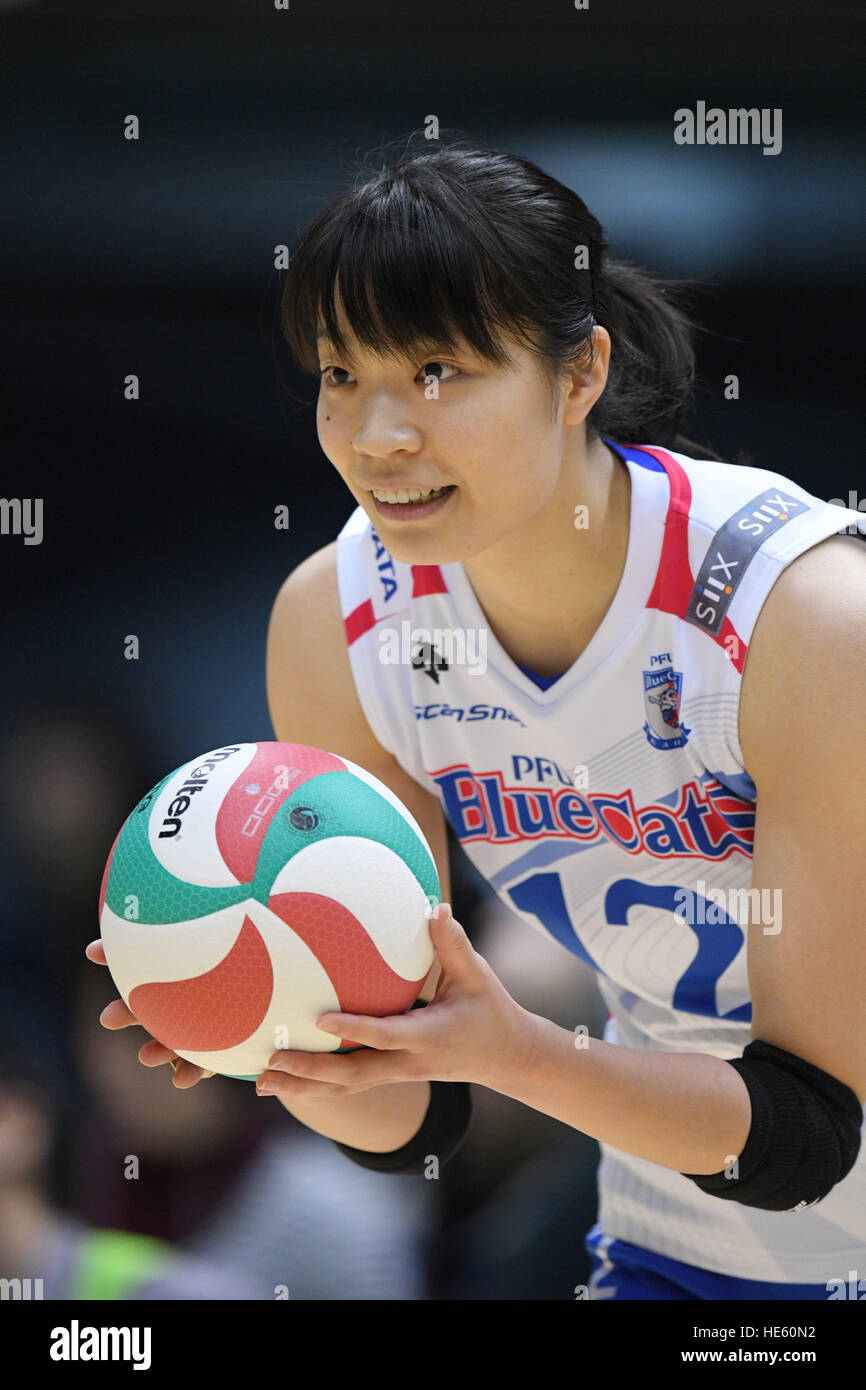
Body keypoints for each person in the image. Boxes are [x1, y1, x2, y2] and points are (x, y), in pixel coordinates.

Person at [91, 137, 866, 1300]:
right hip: (684, 1237)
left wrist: (516, 1050)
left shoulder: (804, 618)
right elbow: (425, 1117)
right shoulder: (336, 623)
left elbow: (809, 1130)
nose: (375, 435)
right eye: (340, 374)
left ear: (578, 373)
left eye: (439, 369)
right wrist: (287, 1037)